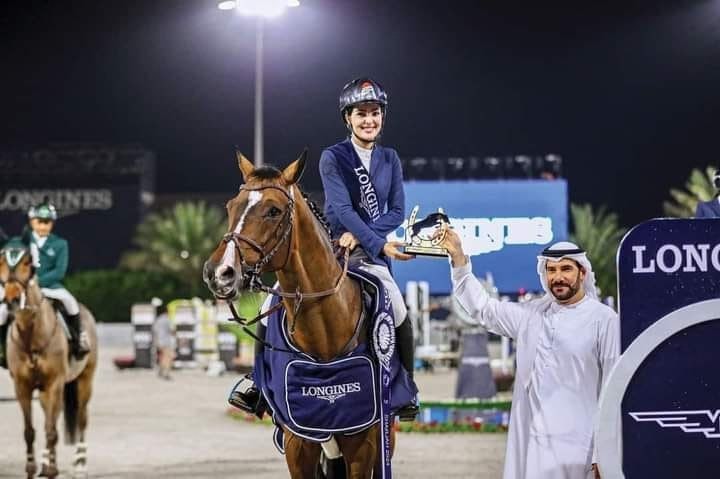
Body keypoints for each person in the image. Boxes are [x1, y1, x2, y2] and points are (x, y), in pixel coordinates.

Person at [229, 77, 419, 421]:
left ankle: (404, 386)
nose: (369, 120)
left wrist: (365, 239)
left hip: (369, 255)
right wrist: (373, 240)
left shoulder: (390, 158)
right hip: (332, 249)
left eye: (374, 113)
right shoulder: (333, 157)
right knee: (273, 301)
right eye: (361, 113)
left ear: (382, 116)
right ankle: (256, 382)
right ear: (348, 118)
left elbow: (396, 212)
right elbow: (342, 209)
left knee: (400, 307)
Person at [437, 226, 619, 479]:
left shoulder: (604, 320)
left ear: (582, 272)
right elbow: (483, 308)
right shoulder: (530, 315)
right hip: (534, 446)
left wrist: (604, 453)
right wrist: (458, 259)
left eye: (566, 269)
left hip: (581, 449)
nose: (558, 277)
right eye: (551, 270)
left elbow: (613, 390)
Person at [24, 202, 89, 359]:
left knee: (70, 303)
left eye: (47, 222)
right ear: (32, 222)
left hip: (50, 287)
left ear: (52, 224)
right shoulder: (22, 243)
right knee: (3, 309)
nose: (43, 226)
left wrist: (37, 283)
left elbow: (59, 271)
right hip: (23, 287)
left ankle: (77, 339)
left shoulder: (60, 244)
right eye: (39, 222)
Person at [152, 303, 175, 380]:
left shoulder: (158, 320)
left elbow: (155, 331)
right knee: (168, 358)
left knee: (162, 357)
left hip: (159, 341)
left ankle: (161, 371)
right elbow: (172, 330)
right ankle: (166, 373)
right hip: (166, 341)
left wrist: (156, 342)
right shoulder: (168, 319)